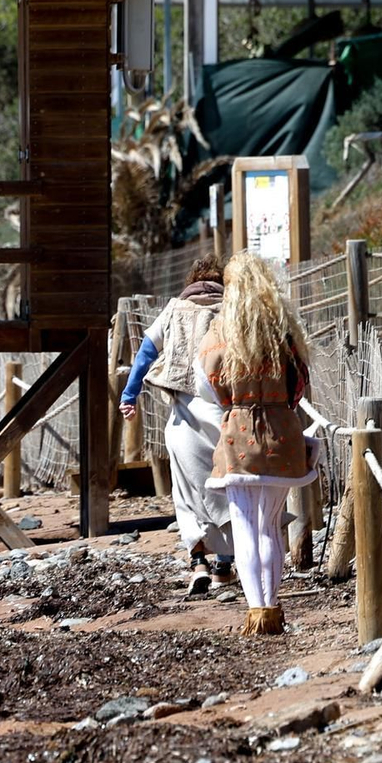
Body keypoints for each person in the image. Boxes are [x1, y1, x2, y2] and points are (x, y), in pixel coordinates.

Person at [198, 251, 317, 635]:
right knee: (269, 526)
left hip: (239, 437)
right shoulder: (284, 331)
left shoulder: (221, 333)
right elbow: (300, 385)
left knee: (245, 527)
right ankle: (274, 606)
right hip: (284, 433)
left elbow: (211, 387)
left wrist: (239, 405)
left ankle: (257, 611)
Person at [119, 253, 232, 595]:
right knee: (227, 491)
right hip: (225, 416)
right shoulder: (230, 312)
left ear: (190, 283)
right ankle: (224, 567)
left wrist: (129, 395)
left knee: (186, 494)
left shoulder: (173, 310)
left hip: (183, 422)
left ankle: (198, 562)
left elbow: (144, 355)